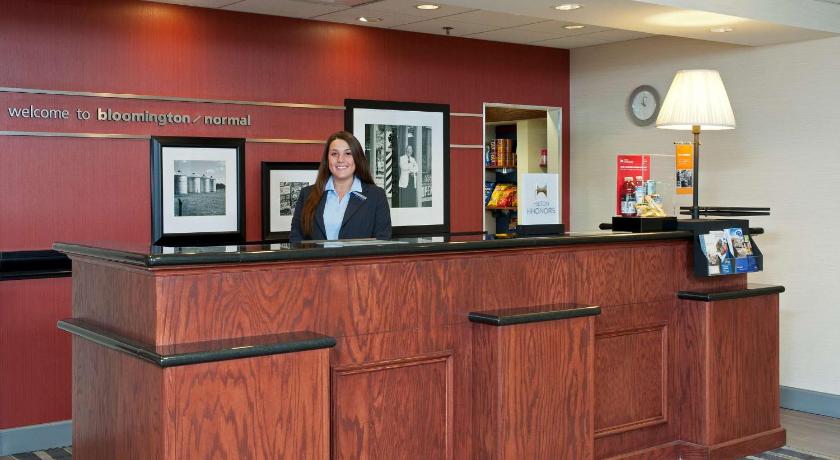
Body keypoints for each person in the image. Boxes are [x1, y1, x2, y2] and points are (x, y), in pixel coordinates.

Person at [289, 131, 392, 243]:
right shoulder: (307, 194)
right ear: (327, 159)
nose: (340, 160)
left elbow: (382, 241)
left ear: (357, 158)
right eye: (334, 154)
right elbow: (296, 238)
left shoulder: (376, 196)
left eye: (348, 153)